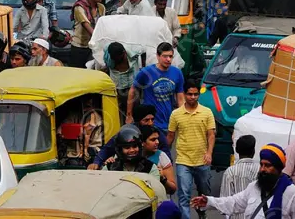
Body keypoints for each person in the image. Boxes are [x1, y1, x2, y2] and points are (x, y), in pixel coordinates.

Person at [191, 143, 295, 219]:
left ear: (278, 168)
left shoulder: (292, 194)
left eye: (268, 165)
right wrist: (209, 201)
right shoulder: (254, 187)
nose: (263, 169)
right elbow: (233, 203)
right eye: (261, 164)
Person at [168, 81, 216, 215]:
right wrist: (165, 156)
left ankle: (202, 215)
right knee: (184, 196)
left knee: (204, 195)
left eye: (195, 94)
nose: (193, 97)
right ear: (184, 94)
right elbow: (170, 136)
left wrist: (209, 153)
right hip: (183, 161)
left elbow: (211, 135)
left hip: (202, 161)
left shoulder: (207, 112)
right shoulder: (176, 114)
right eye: (190, 94)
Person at [91, 104, 171, 169]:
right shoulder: (126, 132)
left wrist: (164, 171)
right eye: (146, 120)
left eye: (152, 119)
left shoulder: (156, 133)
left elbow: (166, 156)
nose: (150, 123)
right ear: (138, 121)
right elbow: (107, 149)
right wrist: (96, 163)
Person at [128, 42, 185, 132]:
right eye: (165, 56)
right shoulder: (146, 72)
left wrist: (183, 117)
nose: (168, 59)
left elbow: (180, 98)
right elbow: (132, 91)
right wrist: (129, 115)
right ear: (158, 56)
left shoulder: (177, 73)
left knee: (167, 145)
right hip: (151, 122)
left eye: (170, 56)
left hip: (170, 121)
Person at [219, 135, 260, 219]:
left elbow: (224, 204)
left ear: (237, 150)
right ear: (253, 151)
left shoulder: (230, 172)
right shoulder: (261, 170)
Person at [70, 0, 105, 67]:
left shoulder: (101, 7)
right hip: (79, 46)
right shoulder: (79, 7)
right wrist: (98, 38)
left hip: (93, 46)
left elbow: (102, 25)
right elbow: (86, 24)